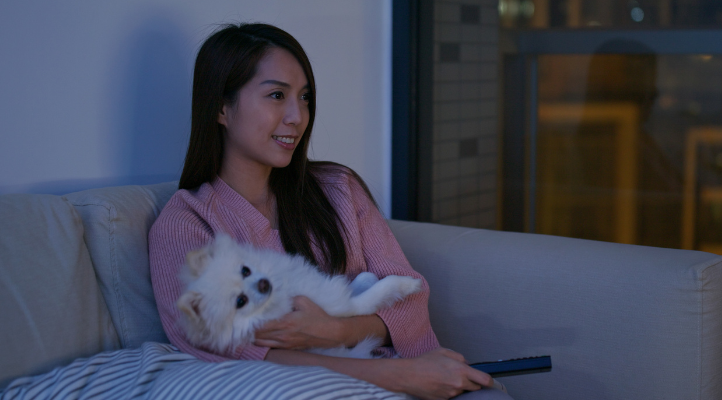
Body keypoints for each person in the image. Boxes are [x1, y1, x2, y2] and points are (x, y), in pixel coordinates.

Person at [148, 23, 510, 399]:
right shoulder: (186, 225)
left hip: (415, 373)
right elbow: (232, 351)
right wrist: (396, 376)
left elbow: (410, 299)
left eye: (304, 98)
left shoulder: (338, 188)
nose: (297, 117)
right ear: (221, 108)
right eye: (276, 95)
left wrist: (337, 331)